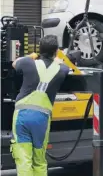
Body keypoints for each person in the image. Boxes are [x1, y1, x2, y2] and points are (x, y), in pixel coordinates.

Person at [10, 35, 69, 176]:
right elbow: (64, 66)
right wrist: (58, 59)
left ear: (39, 50)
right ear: (55, 51)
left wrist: (33, 55)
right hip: (41, 118)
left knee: (24, 159)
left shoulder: (28, 63)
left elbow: (14, 63)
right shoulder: (62, 70)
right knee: (39, 161)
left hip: (22, 116)